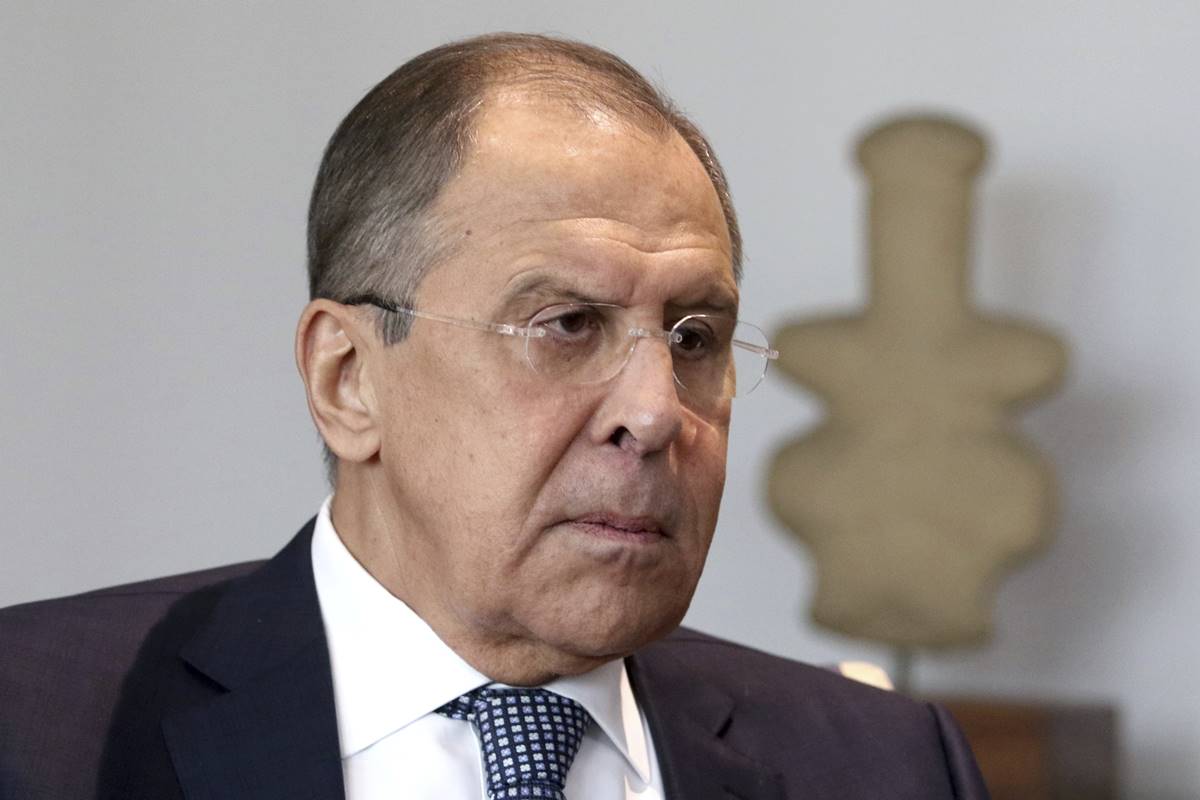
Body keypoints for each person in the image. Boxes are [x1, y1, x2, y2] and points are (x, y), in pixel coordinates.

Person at [0, 33, 988, 800]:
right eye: (566, 324)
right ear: (347, 379)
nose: (655, 412)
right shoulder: (33, 727)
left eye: (694, 337)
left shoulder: (888, 766)